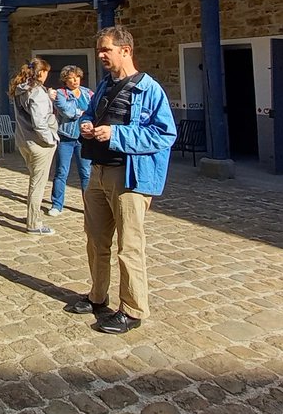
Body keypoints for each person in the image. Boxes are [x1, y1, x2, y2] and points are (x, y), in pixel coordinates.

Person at [71, 26, 176, 334]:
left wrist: (117, 134)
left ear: (125, 50)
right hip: (98, 172)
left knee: (129, 246)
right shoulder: (103, 86)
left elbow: (165, 134)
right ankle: (97, 296)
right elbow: (85, 114)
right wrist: (87, 123)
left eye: (106, 49)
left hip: (130, 176)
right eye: (99, 50)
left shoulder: (150, 90)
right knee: (96, 240)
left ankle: (132, 309)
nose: (101, 55)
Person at [10, 57, 58, 235]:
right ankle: (34, 223)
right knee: (38, 183)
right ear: (41, 72)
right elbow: (39, 122)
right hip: (39, 143)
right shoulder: (36, 92)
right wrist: (51, 139)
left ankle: (32, 214)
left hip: (24, 141)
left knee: (34, 180)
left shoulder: (20, 90)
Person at [47, 65, 94, 218]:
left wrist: (83, 114)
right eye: (71, 78)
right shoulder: (61, 93)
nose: (75, 81)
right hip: (66, 137)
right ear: (65, 80)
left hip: (84, 138)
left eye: (77, 77)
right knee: (61, 172)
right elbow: (66, 111)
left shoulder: (87, 93)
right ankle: (57, 204)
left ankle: (89, 206)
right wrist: (82, 112)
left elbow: (95, 110)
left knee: (86, 173)